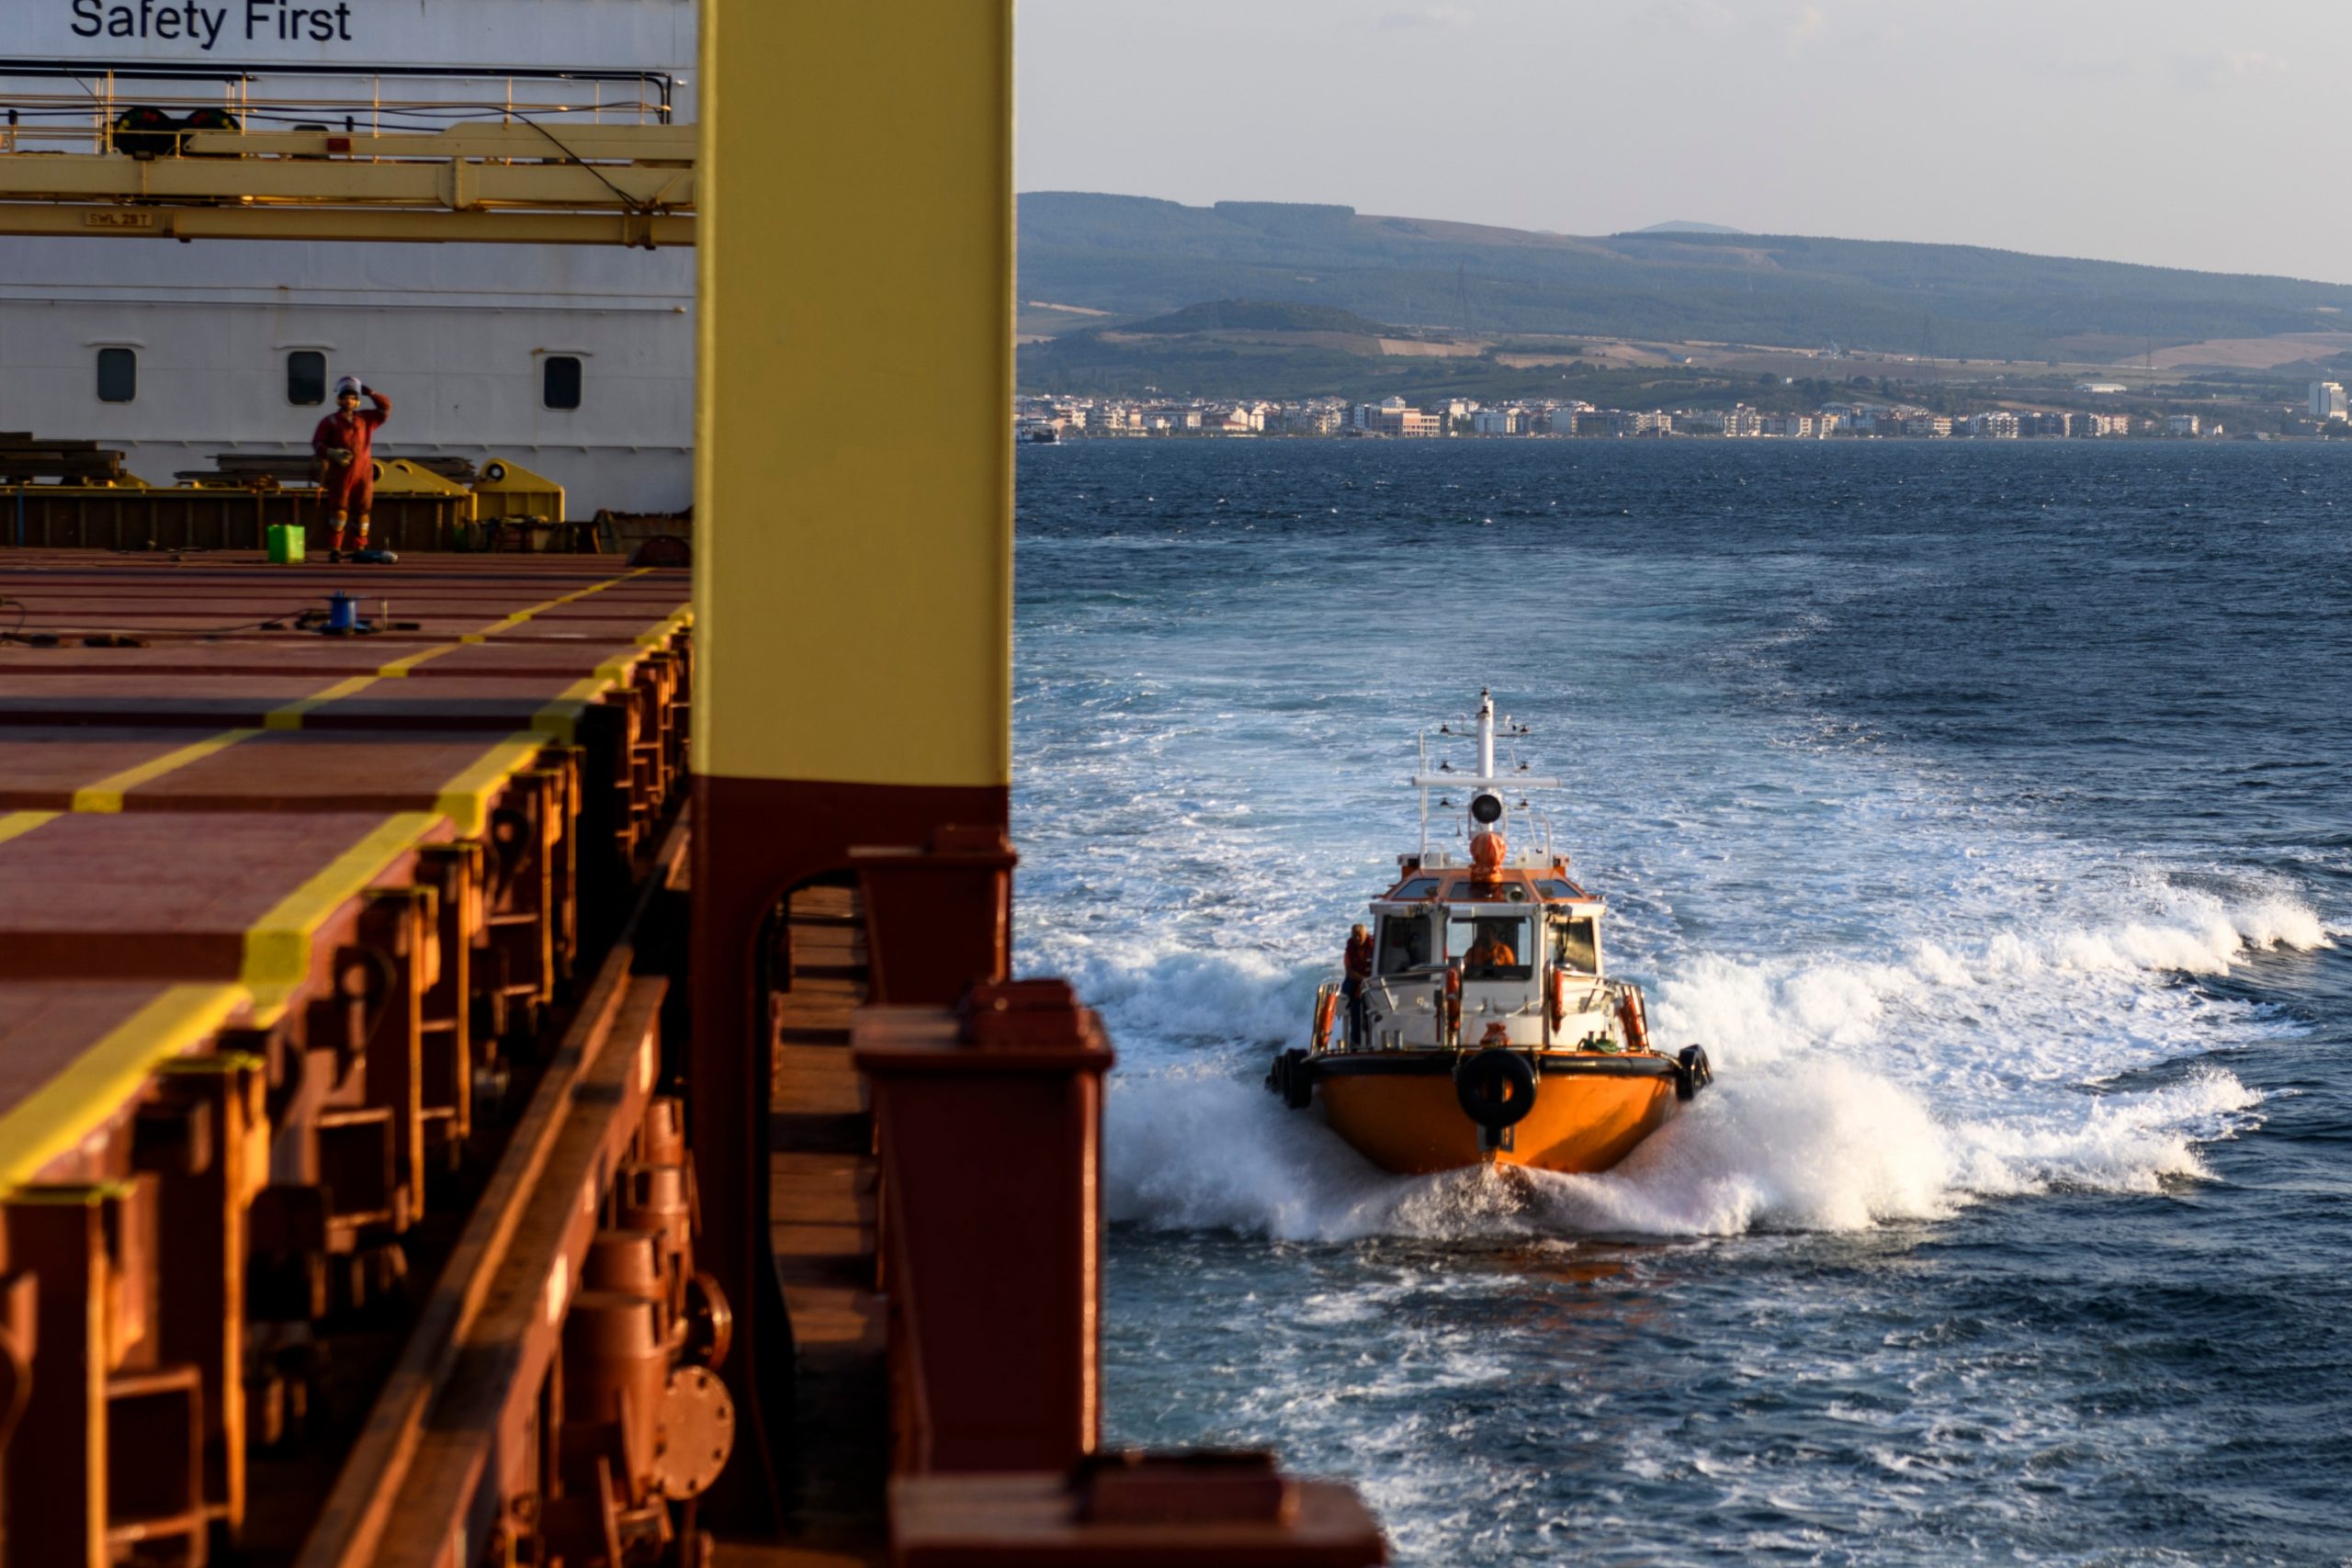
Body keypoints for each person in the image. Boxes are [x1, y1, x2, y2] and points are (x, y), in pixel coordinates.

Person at [311, 375, 391, 562]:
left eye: (353, 397)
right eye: (346, 397)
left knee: (363, 511)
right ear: (339, 399)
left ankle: (360, 547)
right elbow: (317, 444)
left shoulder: (367, 419)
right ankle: (335, 548)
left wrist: (369, 392)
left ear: (357, 401)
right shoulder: (330, 421)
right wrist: (331, 453)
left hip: (363, 472)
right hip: (341, 473)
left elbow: (386, 407)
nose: (350, 400)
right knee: (339, 511)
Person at [1341, 923, 1374, 1048]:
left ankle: (1374, 1044)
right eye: (1355, 936)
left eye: (1360, 936)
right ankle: (1355, 1045)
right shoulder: (1348, 952)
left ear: (1366, 935)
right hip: (1356, 991)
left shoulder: (1375, 947)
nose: (1358, 939)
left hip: (1374, 989)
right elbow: (1349, 972)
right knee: (1355, 1019)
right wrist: (1364, 980)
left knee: (1372, 1018)